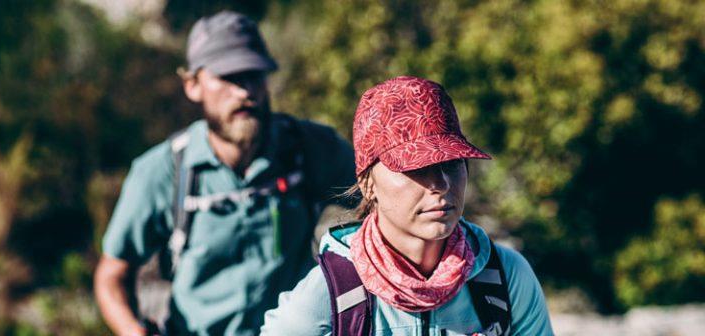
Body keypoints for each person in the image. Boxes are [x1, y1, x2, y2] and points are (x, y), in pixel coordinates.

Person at [94, 11, 356, 336]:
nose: (245, 91)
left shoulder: (311, 149)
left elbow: (382, 204)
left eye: (254, 75)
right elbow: (111, 277)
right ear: (192, 85)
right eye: (229, 77)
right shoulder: (162, 172)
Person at [260, 76, 554, 336]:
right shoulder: (333, 291)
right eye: (416, 167)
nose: (441, 184)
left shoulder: (505, 276)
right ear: (367, 183)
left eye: (451, 163)